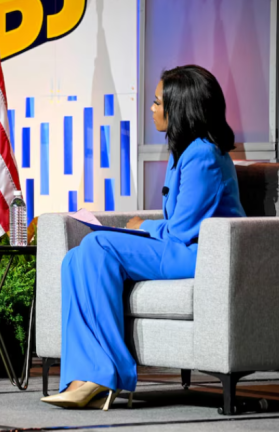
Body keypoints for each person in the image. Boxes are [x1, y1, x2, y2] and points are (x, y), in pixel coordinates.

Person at [41, 65, 246, 409]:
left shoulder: (204, 156)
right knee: (76, 257)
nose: (151, 109)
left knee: (97, 243)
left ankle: (109, 374)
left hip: (198, 254)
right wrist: (143, 226)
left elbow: (181, 230)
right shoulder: (184, 150)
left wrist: (142, 226)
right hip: (178, 247)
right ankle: (84, 375)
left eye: (156, 102)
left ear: (179, 107)